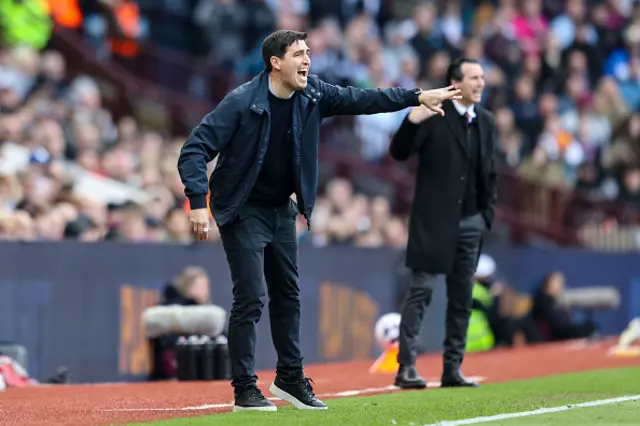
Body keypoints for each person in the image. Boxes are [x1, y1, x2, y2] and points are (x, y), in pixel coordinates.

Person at [177, 29, 462, 412]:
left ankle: (289, 378)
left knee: (289, 297)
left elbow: (364, 99)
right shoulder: (242, 102)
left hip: (280, 208)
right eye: (299, 54)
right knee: (250, 298)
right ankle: (245, 388)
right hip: (242, 209)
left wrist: (415, 96)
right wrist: (198, 201)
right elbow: (194, 148)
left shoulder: (312, 94)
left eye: (309, 52)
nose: (308, 60)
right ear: (276, 63)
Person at [388, 57, 497, 389]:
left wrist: (485, 216)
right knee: (419, 292)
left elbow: (488, 172)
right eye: (473, 77)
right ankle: (406, 367)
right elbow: (398, 152)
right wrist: (411, 119)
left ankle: (453, 368)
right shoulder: (435, 114)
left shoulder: (486, 121)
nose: (480, 83)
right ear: (455, 82)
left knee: (462, 296)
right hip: (433, 221)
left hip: (470, 222)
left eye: (482, 77)